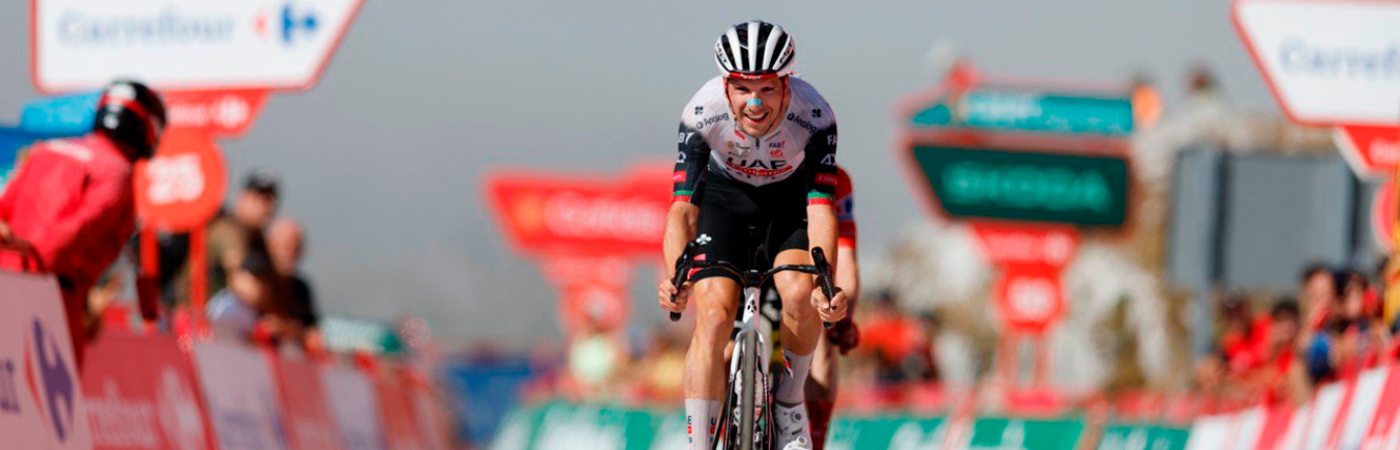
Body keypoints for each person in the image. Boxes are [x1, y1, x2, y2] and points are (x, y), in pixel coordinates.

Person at [657, 20, 848, 450]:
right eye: (743, 90)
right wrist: (675, 277)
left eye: (766, 89)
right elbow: (683, 207)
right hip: (723, 203)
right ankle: (699, 442)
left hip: (788, 204)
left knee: (799, 293)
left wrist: (826, 284)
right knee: (713, 314)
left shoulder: (816, 115)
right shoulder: (702, 112)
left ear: (786, 84)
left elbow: (820, 208)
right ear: (727, 88)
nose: (755, 103)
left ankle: (789, 404)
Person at [0, 80, 165, 366]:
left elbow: (5, 208)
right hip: (52, 299)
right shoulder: (117, 172)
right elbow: (68, 237)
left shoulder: (50, 149)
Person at [805, 166, 860, 450]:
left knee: (823, 338)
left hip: (806, 274)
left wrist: (843, 314)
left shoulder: (838, 180)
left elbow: (846, 252)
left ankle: (815, 438)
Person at [264, 218, 321, 347]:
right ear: (270, 247)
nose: (289, 252)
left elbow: (312, 331)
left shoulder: (301, 289)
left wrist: (294, 331)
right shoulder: (259, 283)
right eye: (284, 246)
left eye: (295, 247)